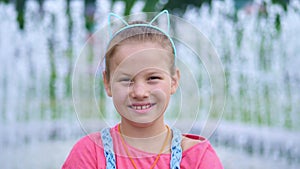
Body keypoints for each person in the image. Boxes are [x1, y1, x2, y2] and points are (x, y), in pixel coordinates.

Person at [62, 10, 223, 169]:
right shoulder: (89, 154)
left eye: (153, 78)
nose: (139, 92)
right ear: (107, 83)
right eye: (126, 80)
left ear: (173, 81)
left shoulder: (198, 158)